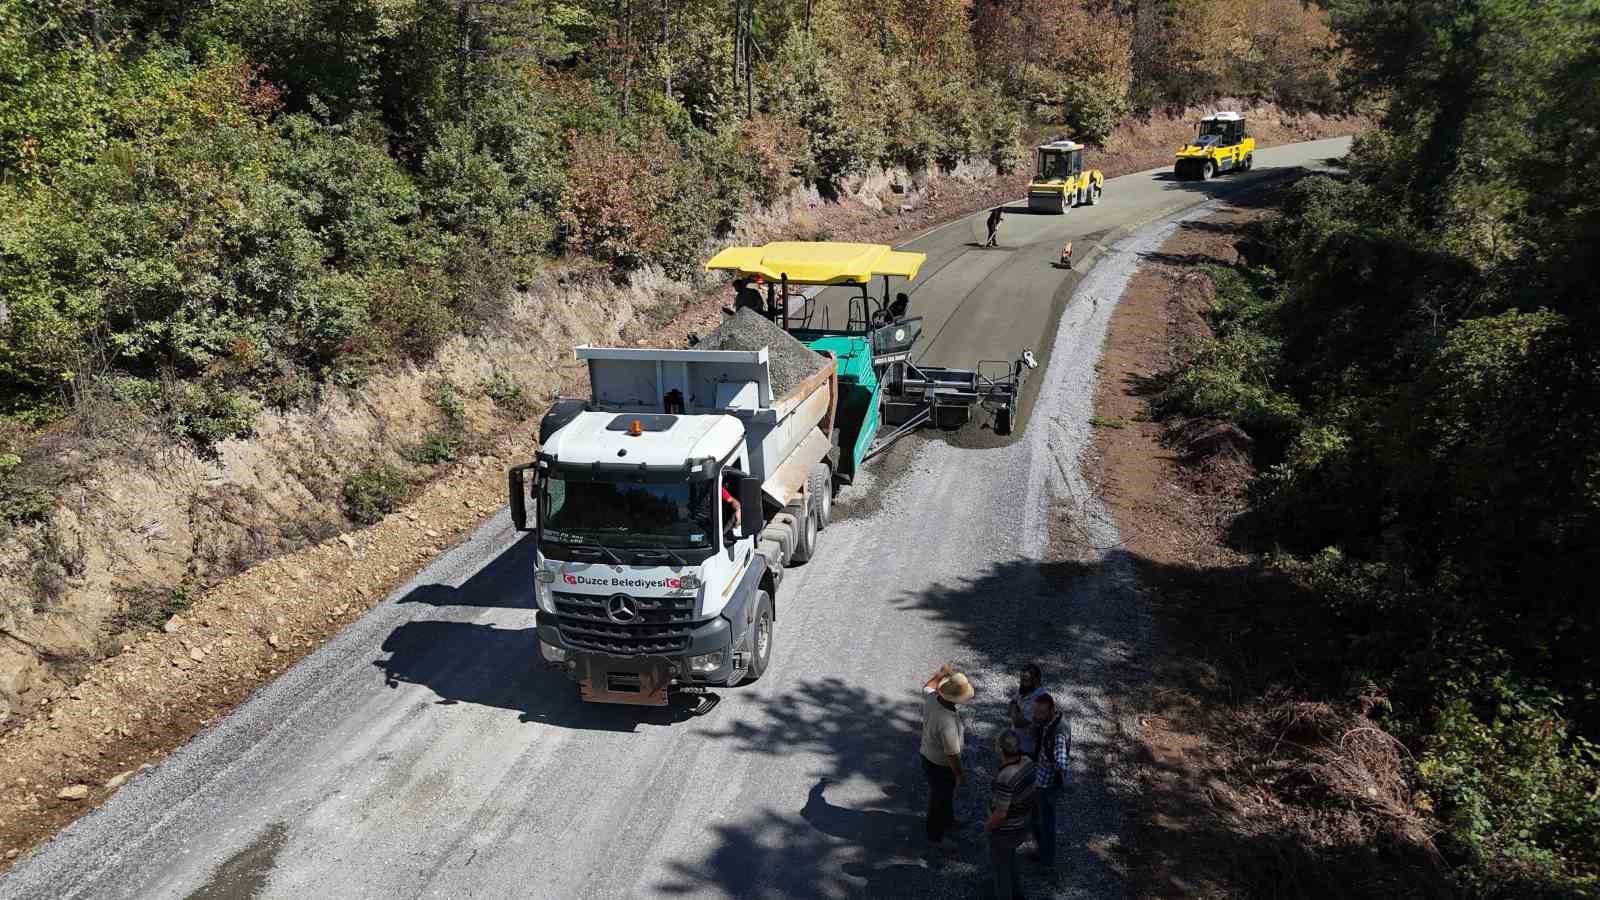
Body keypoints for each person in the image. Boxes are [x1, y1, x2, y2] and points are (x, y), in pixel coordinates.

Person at [920, 662, 974, 853]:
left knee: (943, 795)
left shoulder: (932, 698)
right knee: (938, 800)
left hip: (927, 755)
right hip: (940, 765)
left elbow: (928, 685)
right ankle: (935, 837)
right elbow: (952, 754)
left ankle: (949, 820)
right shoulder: (948, 721)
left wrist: (940, 673)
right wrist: (959, 774)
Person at [985, 728, 1038, 900]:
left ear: (1000, 749)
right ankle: (1017, 894)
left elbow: (1000, 814)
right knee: (1011, 862)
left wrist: (988, 827)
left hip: (1005, 831)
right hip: (1023, 824)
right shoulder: (1028, 762)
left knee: (1001, 872)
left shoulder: (1005, 778)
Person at [1029, 692, 1072, 867]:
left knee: (1046, 824)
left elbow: (1062, 762)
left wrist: (1052, 767)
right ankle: (1042, 850)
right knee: (1034, 818)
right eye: (1035, 712)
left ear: (1051, 710)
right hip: (1039, 779)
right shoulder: (1048, 722)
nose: (1036, 716)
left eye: (1040, 713)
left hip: (1048, 786)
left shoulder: (1059, 732)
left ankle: (1046, 861)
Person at [1008, 663, 1046, 759]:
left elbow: (1018, 722)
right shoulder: (1026, 689)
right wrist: (1016, 711)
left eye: (1025, 680)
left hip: (1027, 749)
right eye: (1021, 679)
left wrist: (1015, 709)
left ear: (1036, 680)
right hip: (1016, 741)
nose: (1022, 682)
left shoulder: (1039, 700)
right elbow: (1011, 705)